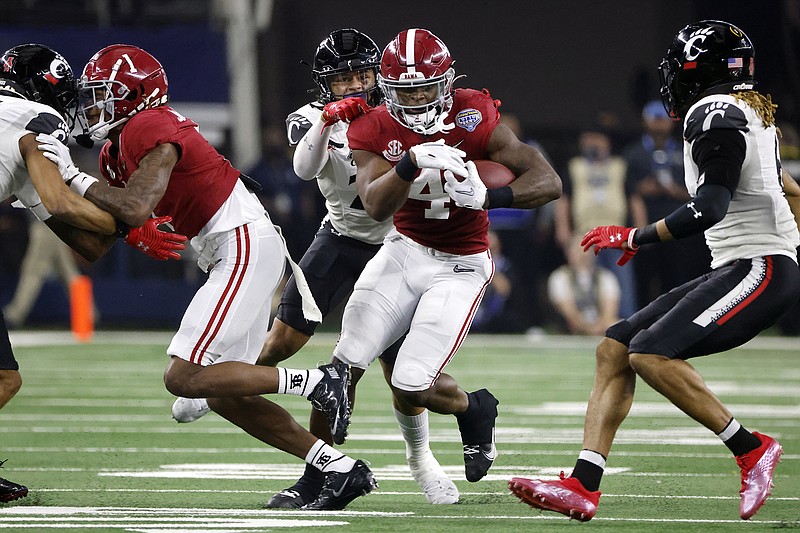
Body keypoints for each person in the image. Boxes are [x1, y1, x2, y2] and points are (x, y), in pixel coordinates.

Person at [38, 44, 377, 510]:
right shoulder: (118, 150)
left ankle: (318, 382)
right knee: (220, 391)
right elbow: (104, 236)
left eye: (104, 95)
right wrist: (45, 198)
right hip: (231, 248)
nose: (93, 106)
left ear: (135, 96)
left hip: (239, 242)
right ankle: (337, 469)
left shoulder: (148, 123)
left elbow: (133, 205)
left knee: (182, 376)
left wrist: (71, 177)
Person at [509, 20, 800, 522]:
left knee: (649, 354)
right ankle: (583, 483)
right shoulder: (750, 112)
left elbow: (709, 207)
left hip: (758, 267)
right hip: (746, 264)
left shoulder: (714, 113)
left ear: (700, 70)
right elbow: (789, 190)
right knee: (615, 346)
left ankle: (751, 448)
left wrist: (635, 236)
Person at [173, 28, 459, 507]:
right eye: (341, 77)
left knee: (398, 373)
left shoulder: (402, 114)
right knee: (283, 339)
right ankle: (219, 386)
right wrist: (327, 121)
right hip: (339, 237)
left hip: (396, 245)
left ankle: (422, 459)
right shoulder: (310, 117)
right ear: (325, 84)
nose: (351, 85)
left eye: (360, 74)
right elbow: (306, 169)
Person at [308, 27, 560, 492]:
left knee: (409, 383)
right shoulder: (374, 127)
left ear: (447, 82)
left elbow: (548, 181)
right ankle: (314, 477)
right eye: (407, 90)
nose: (420, 98)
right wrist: (408, 164)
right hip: (404, 251)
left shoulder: (473, 114)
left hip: (460, 264)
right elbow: (376, 205)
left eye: (427, 86)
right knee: (338, 370)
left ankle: (474, 408)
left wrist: (490, 195)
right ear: (388, 91)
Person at [0, 43, 186, 502]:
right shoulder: (34, 121)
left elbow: (84, 238)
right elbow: (66, 208)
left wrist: (117, 230)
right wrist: (131, 226)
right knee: (4, 379)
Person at [624, 100, 711, 305]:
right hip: (647, 226)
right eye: (654, 119)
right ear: (645, 121)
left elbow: (701, 190)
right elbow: (628, 192)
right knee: (644, 280)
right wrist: (642, 190)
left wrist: (674, 190)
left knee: (677, 281)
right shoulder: (633, 154)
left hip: (679, 227)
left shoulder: (685, 151)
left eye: (663, 119)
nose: (659, 124)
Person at [555, 124, 637, 318]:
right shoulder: (575, 165)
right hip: (586, 233)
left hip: (618, 234)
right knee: (588, 278)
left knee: (621, 278)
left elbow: (633, 197)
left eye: (596, 138)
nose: (591, 142)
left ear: (607, 142)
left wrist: (641, 230)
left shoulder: (620, 165)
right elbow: (564, 198)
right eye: (587, 138)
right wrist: (562, 227)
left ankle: (625, 321)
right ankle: (591, 320)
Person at [547, 235, 620, 335]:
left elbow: (610, 311)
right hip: (571, 329)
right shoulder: (559, 278)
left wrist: (600, 326)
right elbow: (569, 312)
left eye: (587, 249)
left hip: (601, 328)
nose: (583, 255)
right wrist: (588, 328)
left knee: (616, 324)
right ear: (568, 253)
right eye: (578, 250)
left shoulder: (606, 277)